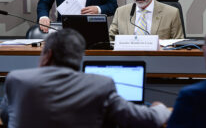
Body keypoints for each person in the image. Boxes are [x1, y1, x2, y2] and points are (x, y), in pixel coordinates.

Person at [0, 29, 171, 128]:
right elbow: (142, 119)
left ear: (48, 54)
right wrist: (161, 108)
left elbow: (7, 118)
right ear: (79, 58)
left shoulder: (17, 80)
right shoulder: (100, 85)